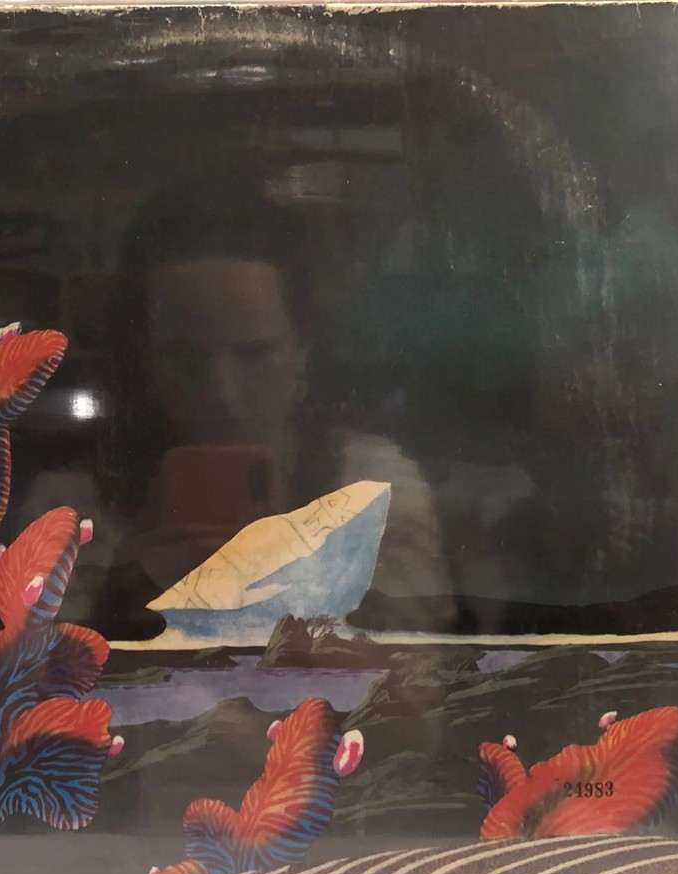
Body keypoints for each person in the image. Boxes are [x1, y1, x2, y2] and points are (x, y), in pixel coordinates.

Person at [29, 174, 456, 638]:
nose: (222, 393)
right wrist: (117, 608)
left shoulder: (376, 491)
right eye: (183, 358)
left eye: (256, 354)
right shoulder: (67, 512)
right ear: (144, 357)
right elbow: (31, 677)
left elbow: (416, 668)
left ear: (303, 349)